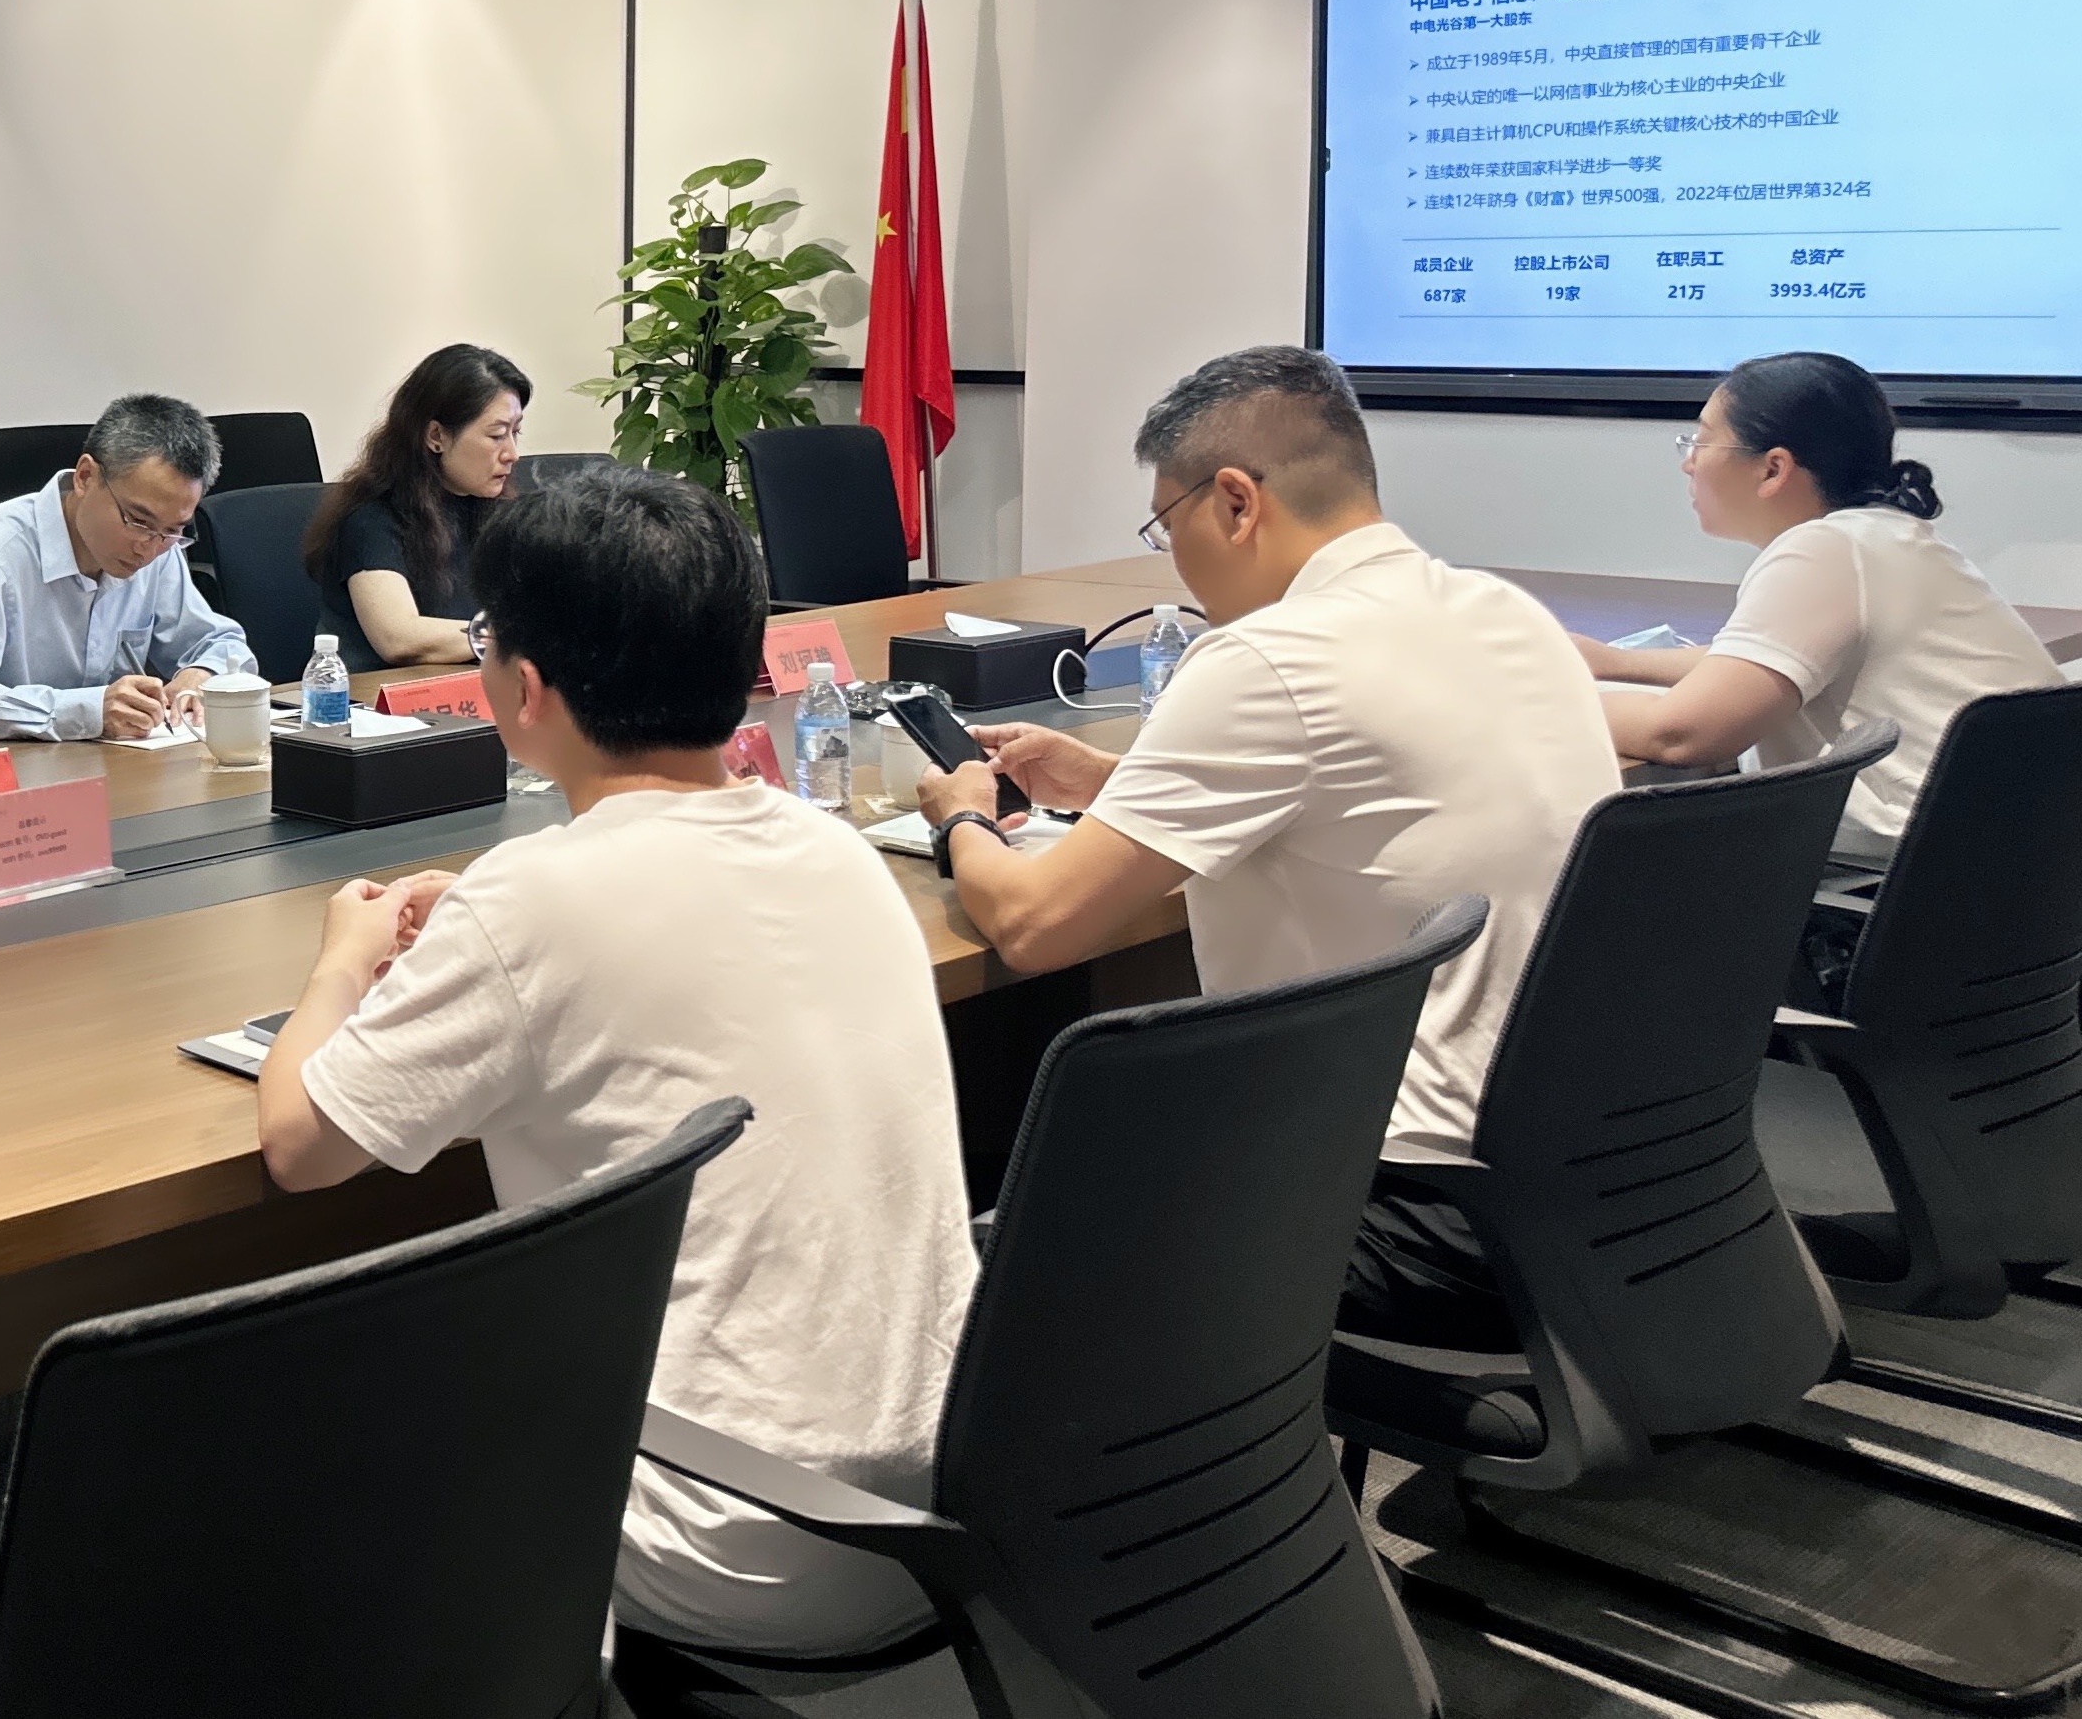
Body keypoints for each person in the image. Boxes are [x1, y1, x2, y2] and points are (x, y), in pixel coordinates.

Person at [257, 470, 972, 1660]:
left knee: (313, 1408)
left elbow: (301, 1148)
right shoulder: (830, 845)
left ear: (525, 688)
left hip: (734, 1543)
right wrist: (487, 923)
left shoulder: (533, 902)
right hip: (950, 1510)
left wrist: (341, 963)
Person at [913, 346, 1618, 1350]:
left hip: (1402, 1209)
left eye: (1167, 525)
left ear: (1235, 502)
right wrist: (1116, 785)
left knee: (976, 1251)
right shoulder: (1501, 610)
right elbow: (1361, 796)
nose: (1172, 559)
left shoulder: (1267, 657)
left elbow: (1033, 926)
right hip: (1583, 1176)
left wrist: (962, 816)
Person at [1570, 352, 2056, 867]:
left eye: (1702, 441)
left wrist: (1536, 696)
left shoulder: (1824, 550)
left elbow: (1681, 734)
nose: (1688, 462)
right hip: (2024, 863)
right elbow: (1760, 661)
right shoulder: (1879, 537)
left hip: (1929, 872)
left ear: (1773, 468)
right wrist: (1615, 661)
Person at [0, 392, 257, 741]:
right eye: (137, 520)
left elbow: (222, 643)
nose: (149, 548)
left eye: (173, 530)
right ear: (85, 477)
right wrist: (84, 711)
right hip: (16, 770)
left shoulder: (161, 546)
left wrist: (201, 673)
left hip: (116, 766)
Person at [303, 343, 529, 667]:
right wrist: (513, 637)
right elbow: (399, 638)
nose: (512, 454)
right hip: (381, 694)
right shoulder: (371, 519)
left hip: (471, 689)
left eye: (515, 433)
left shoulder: (498, 511)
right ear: (436, 436)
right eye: (496, 435)